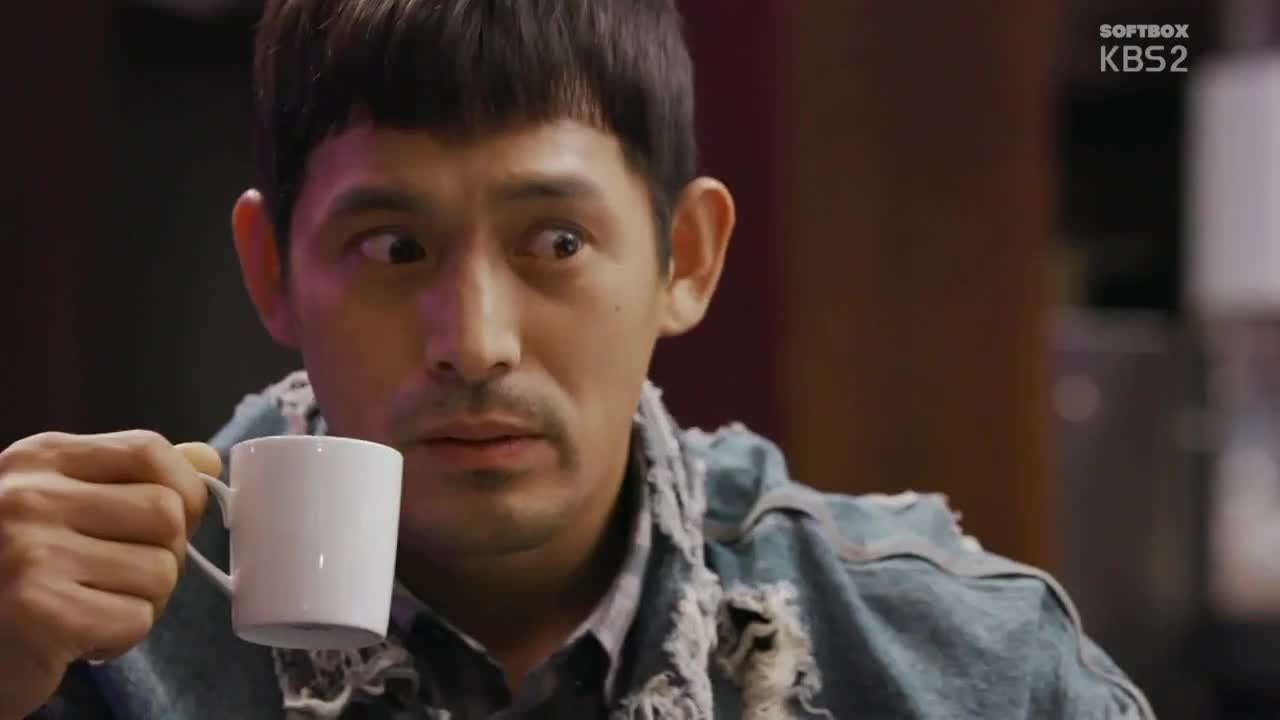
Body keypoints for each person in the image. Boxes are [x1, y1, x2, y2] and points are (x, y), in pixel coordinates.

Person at [0, 1, 1153, 718]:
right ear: (271, 271)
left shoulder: (946, 666)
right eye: (394, 247)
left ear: (683, 258)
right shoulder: (86, 655)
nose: (475, 344)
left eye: (555, 242)